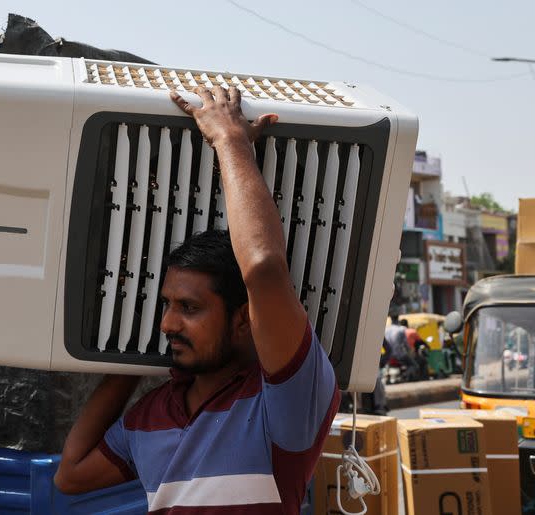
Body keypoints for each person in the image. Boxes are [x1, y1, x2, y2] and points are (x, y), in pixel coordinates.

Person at [54, 86, 340, 514]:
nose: (167, 324)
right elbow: (69, 475)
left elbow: (262, 269)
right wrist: (126, 354)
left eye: (189, 308)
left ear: (245, 319)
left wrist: (230, 141)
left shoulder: (283, 404)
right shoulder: (151, 414)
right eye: (166, 306)